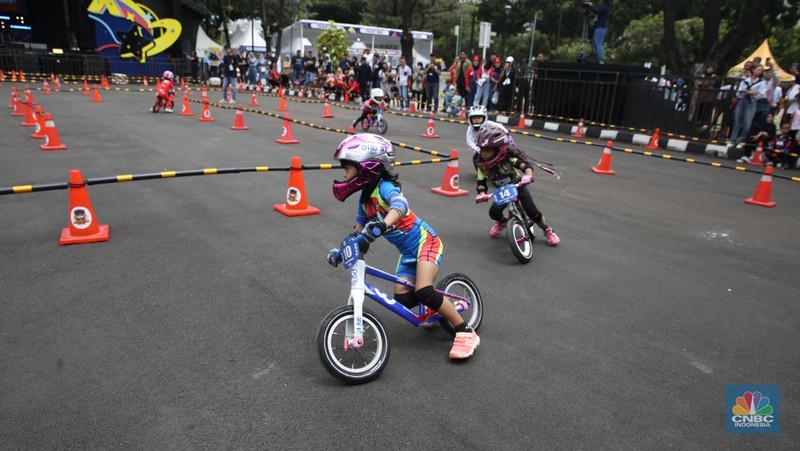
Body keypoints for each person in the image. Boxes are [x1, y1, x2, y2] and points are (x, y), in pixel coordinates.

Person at [328, 133, 480, 359]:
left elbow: (400, 204)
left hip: (426, 243)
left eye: (347, 167)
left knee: (424, 291)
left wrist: (383, 223)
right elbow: (358, 231)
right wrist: (342, 251)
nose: (344, 174)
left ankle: (465, 331)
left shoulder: (385, 187)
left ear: (367, 167)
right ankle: (435, 306)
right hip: (408, 254)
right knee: (404, 299)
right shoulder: (365, 201)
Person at [473, 126, 560, 246]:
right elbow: (481, 183)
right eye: (482, 150)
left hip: (518, 186)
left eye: (487, 150)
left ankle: (547, 230)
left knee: (532, 212)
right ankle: (502, 223)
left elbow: (525, 165)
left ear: (498, 149)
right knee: (494, 212)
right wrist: (481, 194)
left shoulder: (508, 158)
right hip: (502, 191)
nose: (483, 153)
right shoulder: (482, 166)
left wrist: (527, 176)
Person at [730, 64, 767, 145]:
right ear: (753, 70)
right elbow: (739, 90)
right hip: (742, 100)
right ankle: (733, 139)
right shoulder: (746, 80)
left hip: (752, 102)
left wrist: (751, 92)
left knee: (747, 121)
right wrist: (744, 91)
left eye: (760, 70)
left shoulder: (762, 82)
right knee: (737, 119)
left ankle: (740, 139)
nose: (759, 72)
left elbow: (762, 93)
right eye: (758, 69)